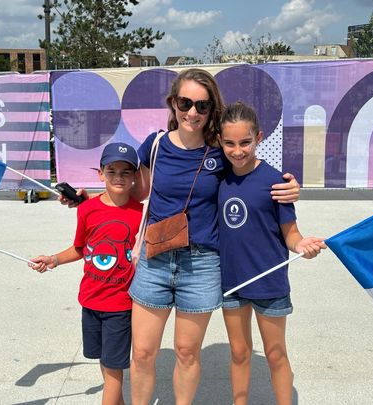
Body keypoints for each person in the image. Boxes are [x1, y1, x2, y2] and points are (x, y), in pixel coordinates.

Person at [127, 68, 302, 405]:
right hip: (157, 258)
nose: (192, 112)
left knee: (186, 352)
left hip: (202, 263)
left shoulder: (220, 152)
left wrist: (292, 186)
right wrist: (85, 198)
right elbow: (137, 193)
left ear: (212, 110)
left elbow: (254, 173)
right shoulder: (155, 145)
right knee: (143, 353)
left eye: (202, 106)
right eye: (185, 102)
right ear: (173, 102)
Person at [217, 102, 327, 405]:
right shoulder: (218, 179)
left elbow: (291, 233)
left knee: (276, 353)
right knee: (239, 353)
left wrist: (303, 246)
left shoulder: (275, 182)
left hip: (270, 283)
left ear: (259, 138)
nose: (237, 150)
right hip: (232, 284)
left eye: (245, 142)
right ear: (220, 141)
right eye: (229, 143)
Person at [28, 142, 143, 405]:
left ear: (136, 177)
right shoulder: (87, 209)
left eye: (126, 172)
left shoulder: (141, 213)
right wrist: (54, 259)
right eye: (111, 171)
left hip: (121, 305)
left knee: (114, 371)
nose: (118, 177)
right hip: (90, 301)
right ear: (100, 174)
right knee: (105, 363)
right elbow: (81, 248)